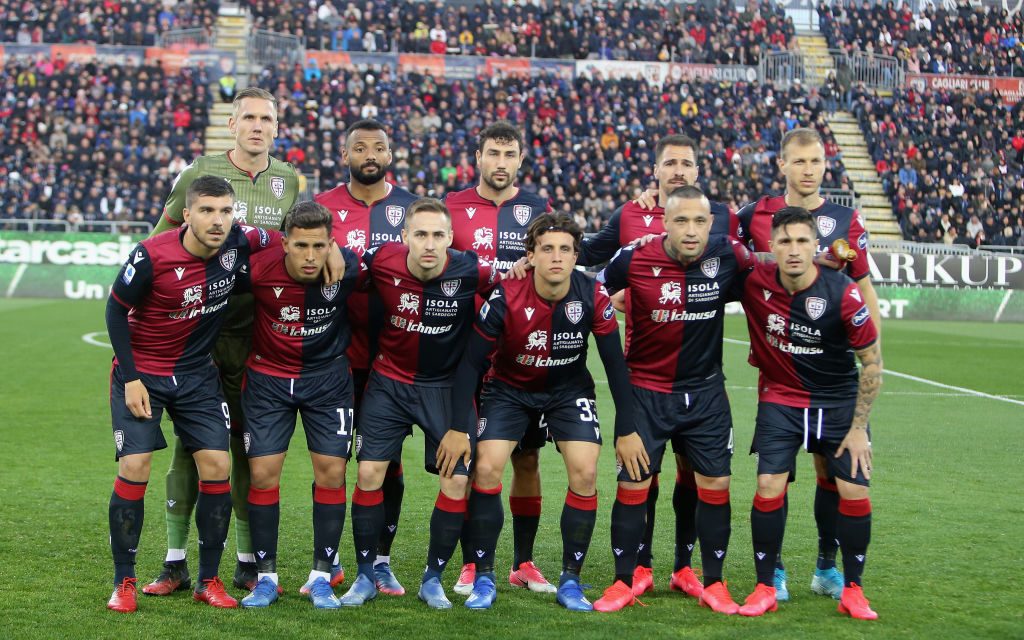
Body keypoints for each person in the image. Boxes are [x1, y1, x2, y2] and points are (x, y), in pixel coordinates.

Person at [144, 87, 303, 597]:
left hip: (258, 333)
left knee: (242, 446)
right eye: (249, 117)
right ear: (231, 124)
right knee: (192, 446)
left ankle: (245, 562)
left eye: (267, 118)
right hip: (199, 333)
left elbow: (300, 247)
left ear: (277, 127)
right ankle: (174, 562)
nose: (258, 126)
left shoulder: (288, 181)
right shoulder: (200, 174)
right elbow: (161, 239)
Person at [104, 177, 277, 613]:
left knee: (218, 465)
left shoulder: (240, 243)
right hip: (143, 373)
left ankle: (208, 580)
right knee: (136, 466)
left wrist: (328, 250)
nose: (217, 221)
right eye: (207, 211)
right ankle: (123, 581)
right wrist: (131, 376)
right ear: (187, 214)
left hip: (198, 376)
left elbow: (288, 236)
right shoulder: (151, 255)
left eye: (225, 211)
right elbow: (115, 310)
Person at [584, 134, 741, 599]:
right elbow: (593, 281)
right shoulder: (632, 240)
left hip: (706, 390)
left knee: (705, 480)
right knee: (636, 480)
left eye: (698, 221)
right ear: (663, 219)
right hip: (646, 387)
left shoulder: (729, 246)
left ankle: (698, 574)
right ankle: (629, 574)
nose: (690, 229)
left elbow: (768, 275)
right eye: (680, 221)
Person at [452, 214, 632, 611]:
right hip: (508, 390)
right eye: (547, 249)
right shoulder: (506, 295)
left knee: (585, 471)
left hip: (568, 392)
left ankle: (571, 579)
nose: (556, 257)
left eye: (565, 249)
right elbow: (471, 363)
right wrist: (455, 427)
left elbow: (615, 366)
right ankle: (484, 575)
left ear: (575, 256)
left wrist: (628, 428)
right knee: (486, 468)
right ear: (530, 255)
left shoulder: (592, 295)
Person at [736, 126, 881, 602]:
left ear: (825, 165)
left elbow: (861, 284)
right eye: (799, 162)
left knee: (830, 473)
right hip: (779, 374)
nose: (808, 170)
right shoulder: (754, 215)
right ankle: (772, 571)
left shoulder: (846, 220)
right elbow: (713, 243)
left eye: (816, 162)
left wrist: (873, 346)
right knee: (774, 477)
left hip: (833, 376)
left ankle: (826, 565)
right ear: (782, 165)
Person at [337, 198, 497, 610]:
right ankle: (365, 575)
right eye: (420, 234)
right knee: (370, 471)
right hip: (388, 383)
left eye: (438, 235)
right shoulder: (382, 260)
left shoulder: (471, 269)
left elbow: (515, 284)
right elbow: (339, 264)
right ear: (404, 236)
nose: (429, 244)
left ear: (450, 239)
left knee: (457, 480)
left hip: (445, 390)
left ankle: (433, 578)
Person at [444, 121, 556, 595]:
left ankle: (524, 563)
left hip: (524, 355)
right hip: (472, 352)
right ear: (479, 157)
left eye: (509, 155)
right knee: (473, 459)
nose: (501, 162)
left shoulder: (537, 210)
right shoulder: (452, 207)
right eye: (493, 153)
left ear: (520, 161)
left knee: (527, 459)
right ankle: (472, 563)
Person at [237, 202, 360, 610]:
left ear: (332, 244)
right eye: (302, 245)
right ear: (285, 242)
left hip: (327, 382)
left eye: (320, 246)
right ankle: (266, 577)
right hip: (268, 380)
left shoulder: (348, 268)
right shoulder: (257, 268)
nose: (311, 256)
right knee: (263, 474)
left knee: (331, 472)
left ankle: (322, 575)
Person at [314, 118, 419, 595]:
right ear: (345, 155)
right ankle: (329, 560)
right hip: (337, 356)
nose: (370, 154)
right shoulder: (322, 208)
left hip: (395, 359)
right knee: (332, 461)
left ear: (390, 154)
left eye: (379, 147)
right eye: (360, 148)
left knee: (387, 462)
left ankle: (380, 560)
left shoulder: (413, 210)